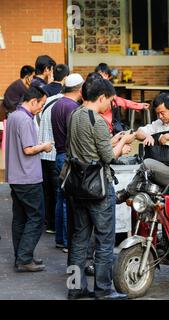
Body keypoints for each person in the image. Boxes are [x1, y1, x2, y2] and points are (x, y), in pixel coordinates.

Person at [67, 78, 134, 300]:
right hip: (98, 188)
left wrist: (112, 140)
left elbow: (90, 147)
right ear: (102, 97)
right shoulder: (96, 120)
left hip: (77, 185)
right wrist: (123, 144)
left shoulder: (74, 115)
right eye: (110, 101)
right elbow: (107, 156)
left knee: (78, 240)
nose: (110, 106)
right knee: (105, 242)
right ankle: (103, 290)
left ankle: (75, 288)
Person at [6, 86, 53, 272]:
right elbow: (28, 149)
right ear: (33, 101)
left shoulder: (12, 116)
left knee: (20, 218)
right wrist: (44, 146)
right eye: (41, 104)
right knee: (36, 217)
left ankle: (21, 256)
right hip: (28, 177)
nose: (41, 108)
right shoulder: (25, 120)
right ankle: (24, 258)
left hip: (16, 176)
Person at [51, 73, 85, 253]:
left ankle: (59, 238)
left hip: (59, 154)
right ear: (80, 89)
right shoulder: (73, 107)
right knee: (68, 202)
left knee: (61, 198)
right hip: (68, 156)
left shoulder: (58, 104)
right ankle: (66, 241)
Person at [95, 64, 149, 133]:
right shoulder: (93, 92)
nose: (103, 77)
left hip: (111, 128)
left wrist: (139, 105)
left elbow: (121, 101)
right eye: (100, 74)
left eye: (105, 75)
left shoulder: (110, 93)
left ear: (108, 77)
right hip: (100, 128)